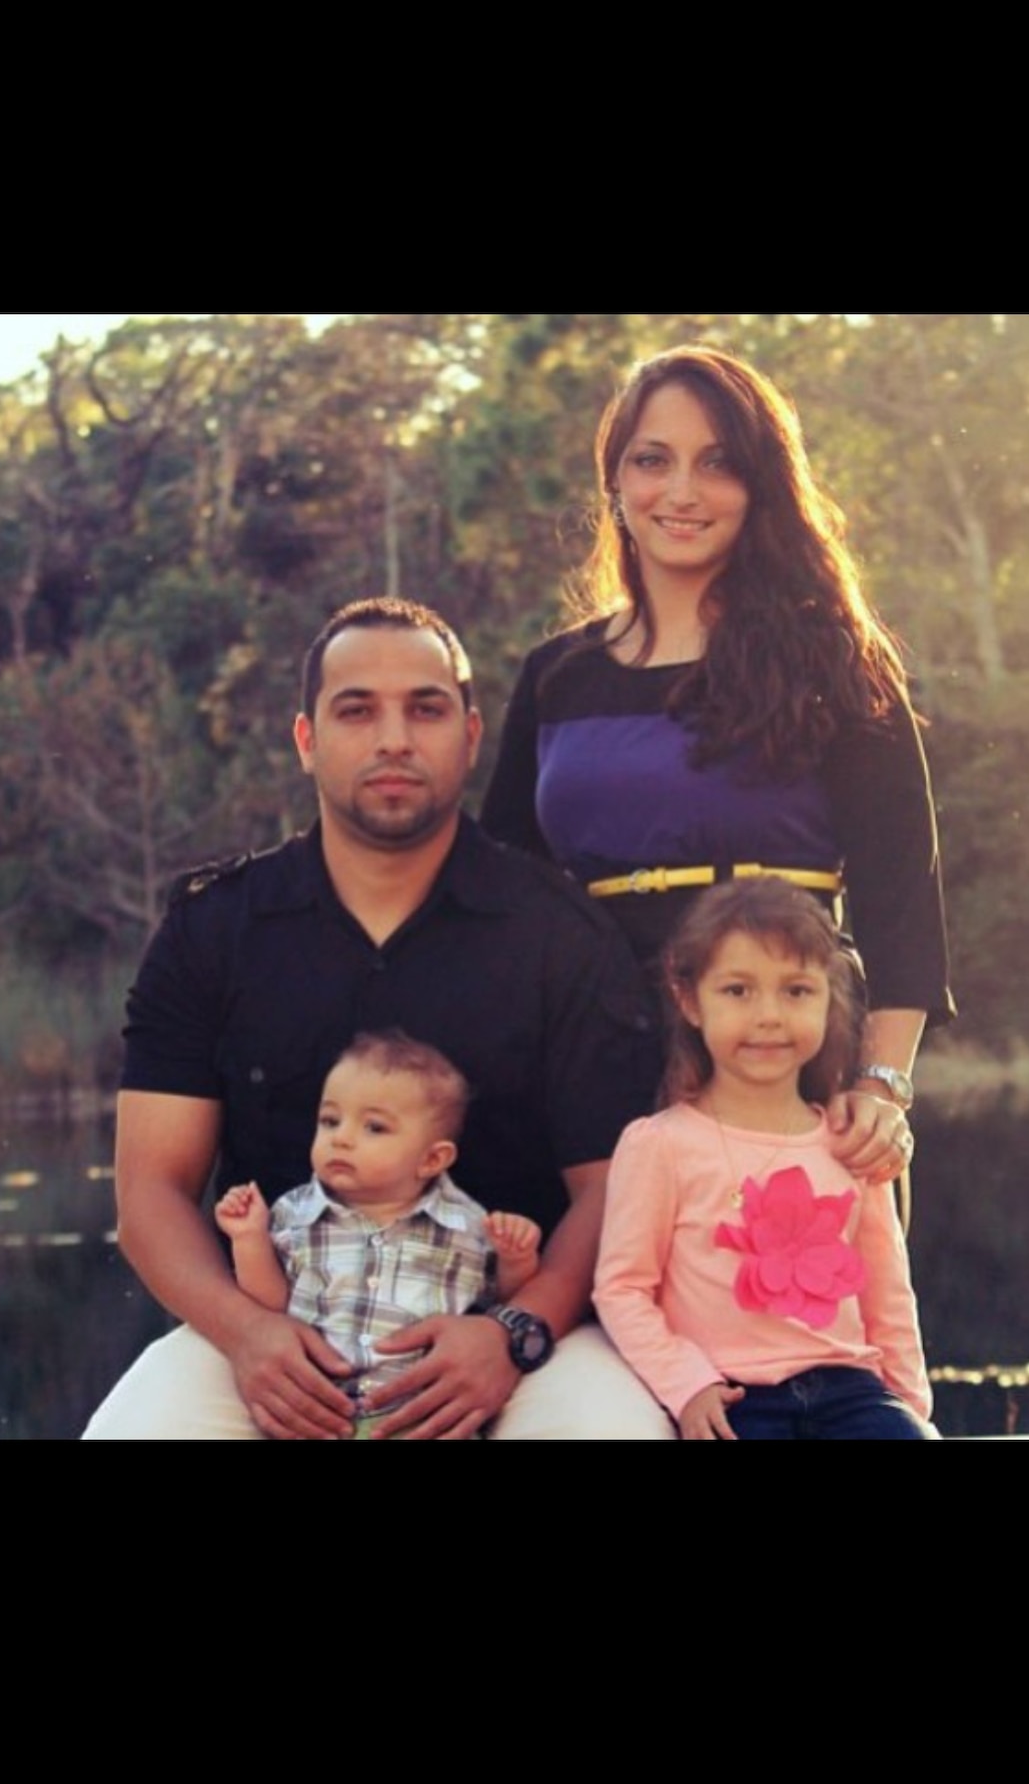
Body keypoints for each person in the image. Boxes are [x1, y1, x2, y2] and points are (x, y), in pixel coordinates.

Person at [83, 595, 674, 1441]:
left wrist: (514, 1333)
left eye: (425, 709)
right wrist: (247, 1335)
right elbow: (150, 1193)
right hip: (272, 1330)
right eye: (356, 710)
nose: (393, 738)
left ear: (469, 738)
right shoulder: (214, 928)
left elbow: (610, 1188)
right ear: (306, 740)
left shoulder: (559, 931)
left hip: (514, 1336)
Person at [481, 344, 956, 1199]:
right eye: (651, 460)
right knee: (596, 1320)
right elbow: (502, 888)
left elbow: (901, 892)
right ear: (615, 483)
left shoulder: (832, 659)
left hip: (788, 1055)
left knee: (795, 1323)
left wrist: (881, 1086)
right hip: (592, 1061)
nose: (681, 492)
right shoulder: (557, 675)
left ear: (760, 486)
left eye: (716, 464)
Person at [594, 878, 937, 1439]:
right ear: (690, 1000)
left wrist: (910, 1409)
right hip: (732, 1398)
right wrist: (686, 1384)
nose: (769, 1015)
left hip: (851, 1392)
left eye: (796, 991)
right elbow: (623, 1290)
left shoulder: (849, 1141)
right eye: (738, 991)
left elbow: (889, 1295)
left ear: (830, 997)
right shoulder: (660, 1144)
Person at [214, 1028, 542, 1435]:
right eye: (329, 1120)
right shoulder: (294, 1213)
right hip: (316, 1415)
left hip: (425, 1419)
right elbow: (272, 1304)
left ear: (431, 1159)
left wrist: (516, 1259)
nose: (342, 1139)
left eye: (374, 1128)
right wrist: (248, 1239)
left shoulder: (467, 1226)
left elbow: (501, 1305)